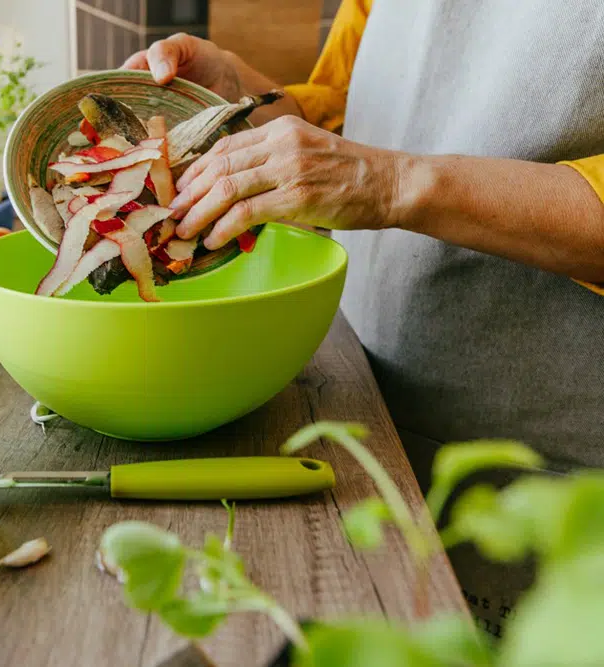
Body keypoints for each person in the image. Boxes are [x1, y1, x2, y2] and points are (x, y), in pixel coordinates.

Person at [123, 0, 604, 639]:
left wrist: (393, 183)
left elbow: (373, 169)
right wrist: (250, 99)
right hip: (373, 430)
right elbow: (354, 108)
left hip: (554, 476)